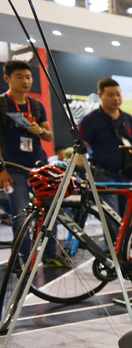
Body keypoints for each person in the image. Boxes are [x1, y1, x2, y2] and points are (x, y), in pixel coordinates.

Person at [0, 60, 65, 266]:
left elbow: (49, 136)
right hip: (13, 168)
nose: (26, 81)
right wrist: (1, 169)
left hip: (39, 166)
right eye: (19, 76)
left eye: (28, 77)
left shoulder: (36, 105)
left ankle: (49, 255)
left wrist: (40, 130)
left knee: (50, 211)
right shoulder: (2, 104)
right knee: (19, 216)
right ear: (7, 78)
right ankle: (25, 257)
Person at [78, 77, 132, 216]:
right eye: (110, 95)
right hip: (104, 176)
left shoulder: (128, 119)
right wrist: (80, 174)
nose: (116, 98)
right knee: (112, 218)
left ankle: (125, 239)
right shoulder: (90, 120)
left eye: (118, 94)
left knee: (126, 218)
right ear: (100, 96)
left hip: (128, 175)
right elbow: (80, 148)